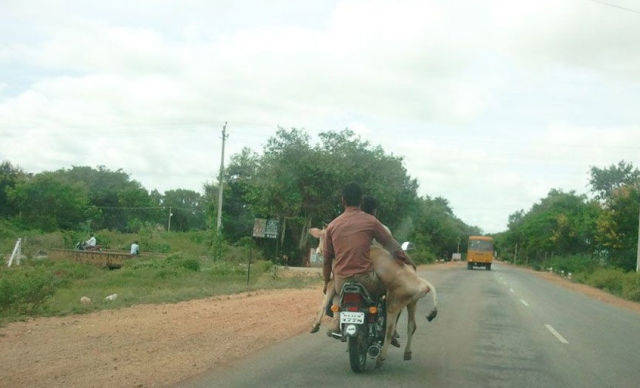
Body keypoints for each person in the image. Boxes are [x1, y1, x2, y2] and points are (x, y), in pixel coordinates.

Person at [323, 183, 415, 335]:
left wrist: (326, 282)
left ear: (343, 200)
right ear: (360, 201)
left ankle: (336, 319)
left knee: (336, 295)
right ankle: (388, 329)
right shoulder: (371, 222)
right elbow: (391, 245)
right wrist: (407, 261)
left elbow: (327, 259)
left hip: (341, 282)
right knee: (389, 289)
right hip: (366, 281)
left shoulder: (332, 226)